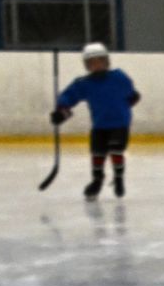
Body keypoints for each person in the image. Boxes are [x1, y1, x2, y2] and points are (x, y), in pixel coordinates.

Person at [50, 43, 140, 199]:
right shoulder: (84, 83)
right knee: (97, 153)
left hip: (120, 124)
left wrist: (126, 104)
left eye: (100, 61)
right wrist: (61, 111)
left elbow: (132, 95)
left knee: (116, 148)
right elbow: (69, 96)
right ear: (87, 65)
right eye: (92, 62)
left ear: (106, 61)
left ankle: (118, 178)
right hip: (99, 125)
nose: (96, 65)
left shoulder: (119, 77)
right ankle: (97, 181)